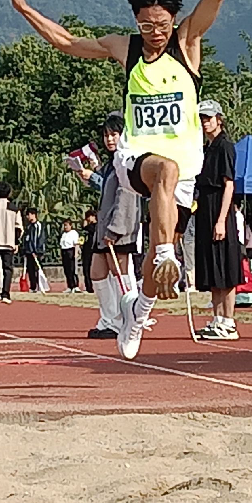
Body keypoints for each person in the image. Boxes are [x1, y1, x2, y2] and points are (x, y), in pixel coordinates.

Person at [6, 0, 227, 360]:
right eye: (146, 26)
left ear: (172, 20)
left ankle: (137, 310)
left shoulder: (187, 42)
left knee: (157, 254)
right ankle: (164, 254)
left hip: (186, 165)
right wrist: (24, 9)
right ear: (136, 22)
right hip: (137, 158)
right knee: (163, 176)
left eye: (161, 25)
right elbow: (67, 42)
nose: (155, 34)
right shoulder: (125, 49)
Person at [75, 113, 142, 339]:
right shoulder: (112, 162)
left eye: (114, 134)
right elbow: (106, 187)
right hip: (104, 227)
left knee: (120, 273)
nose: (110, 139)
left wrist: (115, 229)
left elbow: (126, 196)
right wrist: (90, 177)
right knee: (97, 272)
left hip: (120, 227)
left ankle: (129, 318)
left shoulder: (127, 161)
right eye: (106, 135)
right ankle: (110, 319)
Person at [194, 100, 243, 340]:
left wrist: (222, 219)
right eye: (202, 118)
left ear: (219, 119)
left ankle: (228, 321)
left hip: (219, 209)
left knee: (226, 266)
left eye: (209, 118)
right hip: (205, 208)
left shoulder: (225, 147)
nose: (205, 122)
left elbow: (229, 185)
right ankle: (217, 319)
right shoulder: (206, 148)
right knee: (212, 268)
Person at [21, 208, 47, 293]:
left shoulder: (39, 226)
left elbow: (40, 239)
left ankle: (39, 286)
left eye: (28, 215)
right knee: (30, 270)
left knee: (37, 269)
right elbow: (27, 239)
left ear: (33, 215)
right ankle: (33, 286)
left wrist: (37, 251)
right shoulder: (28, 227)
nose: (27, 217)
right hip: (29, 252)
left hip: (36, 252)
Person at [59, 220, 81, 294]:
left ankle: (75, 286)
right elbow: (61, 245)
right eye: (64, 225)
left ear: (70, 225)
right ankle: (70, 286)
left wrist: (76, 253)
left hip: (71, 250)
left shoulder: (74, 233)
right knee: (67, 270)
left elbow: (76, 243)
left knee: (72, 269)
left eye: (67, 225)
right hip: (64, 251)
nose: (65, 227)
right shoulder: (63, 234)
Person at [81, 210, 98, 293]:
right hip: (86, 249)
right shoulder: (87, 228)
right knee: (86, 268)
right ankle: (88, 286)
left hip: (94, 250)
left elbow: (92, 229)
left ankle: (93, 287)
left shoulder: (96, 226)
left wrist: (85, 226)